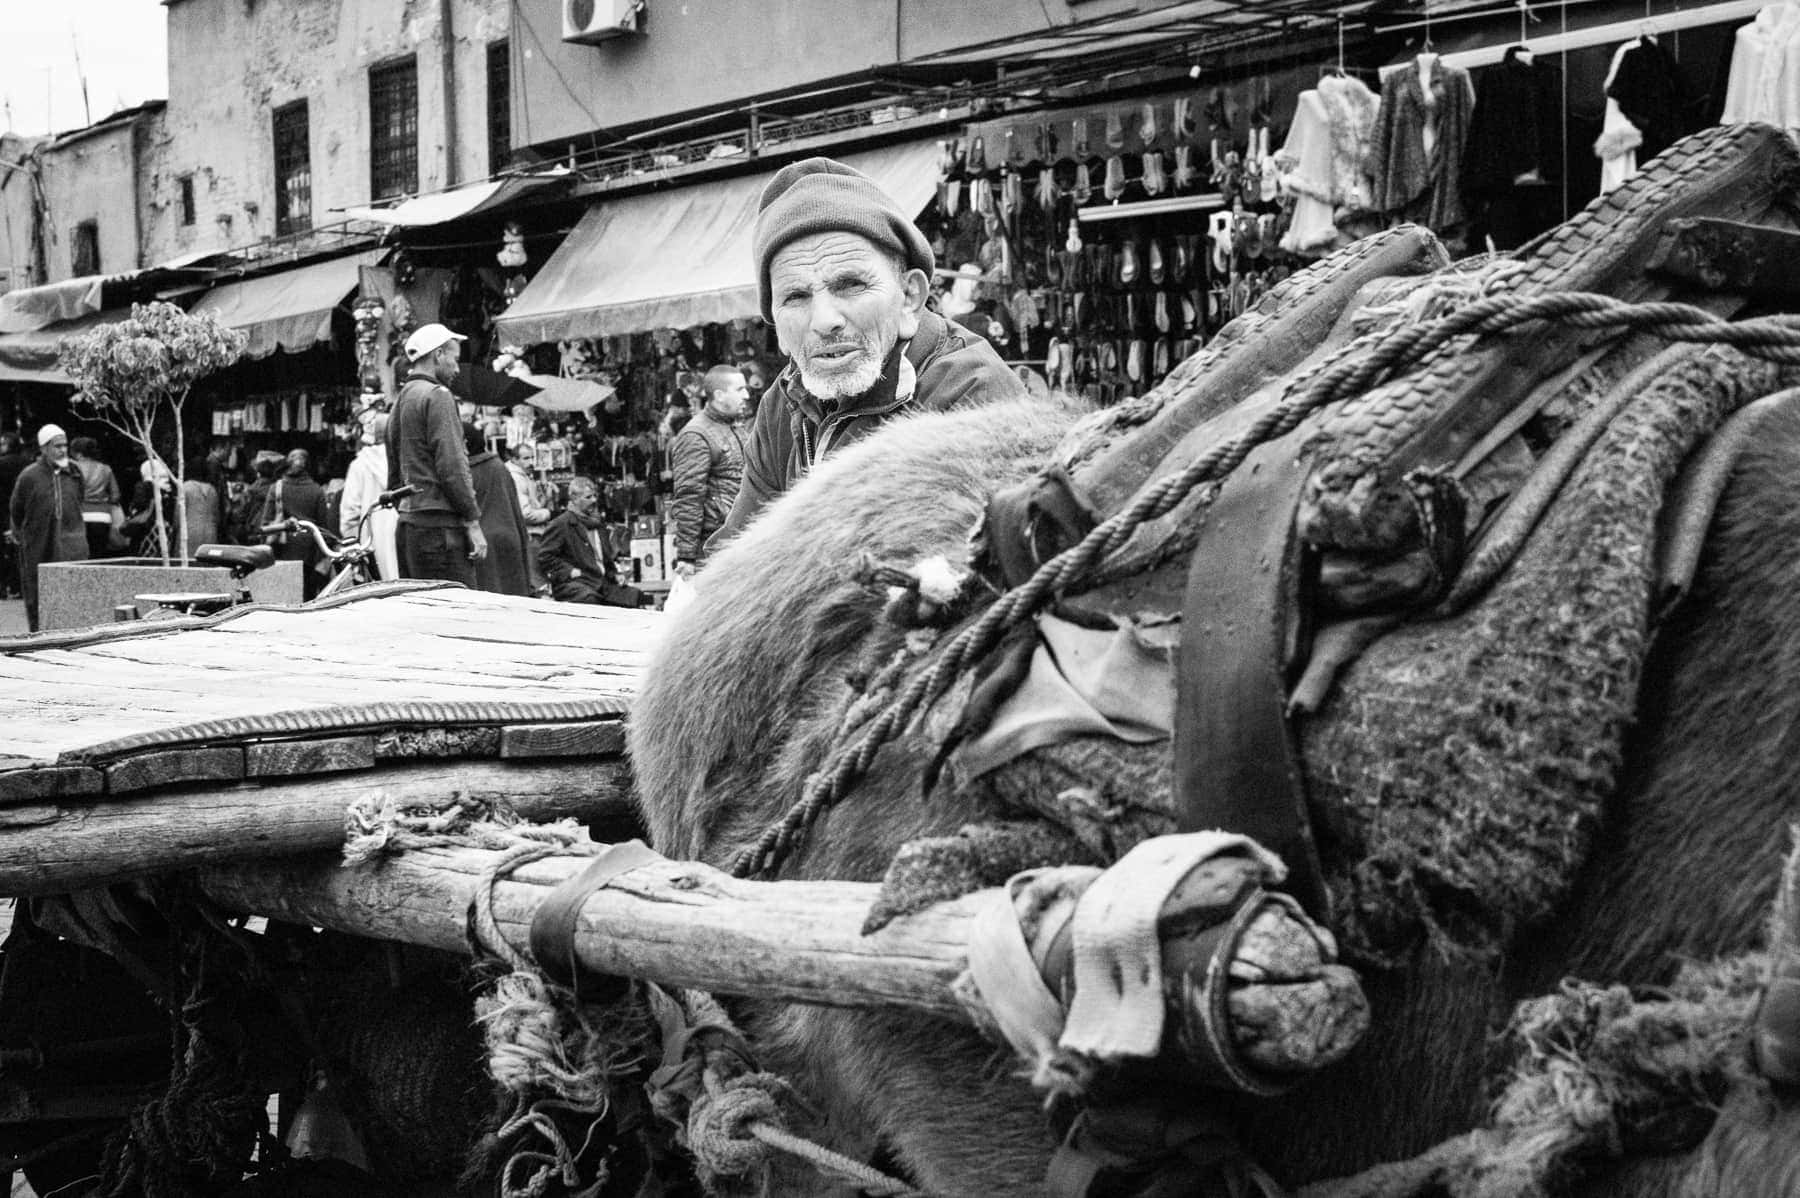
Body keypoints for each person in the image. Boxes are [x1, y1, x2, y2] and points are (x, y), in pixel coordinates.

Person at [712, 156, 1027, 548]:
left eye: (851, 286)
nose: (825, 320)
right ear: (776, 325)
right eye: (795, 297)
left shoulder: (973, 396)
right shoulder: (783, 403)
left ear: (910, 297)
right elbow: (738, 555)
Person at [386, 323, 487, 585]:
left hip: (410, 526)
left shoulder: (400, 400)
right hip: (440, 529)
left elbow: (393, 470)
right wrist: (472, 520)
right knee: (458, 616)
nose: (456, 368)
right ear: (438, 354)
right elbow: (453, 467)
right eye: (454, 359)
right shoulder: (438, 396)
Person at [669, 364, 749, 578]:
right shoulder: (695, 436)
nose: (747, 395)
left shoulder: (735, 429)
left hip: (737, 539)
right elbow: (688, 496)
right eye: (740, 389)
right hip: (713, 546)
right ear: (720, 395)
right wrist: (687, 557)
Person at [7, 425, 88, 631]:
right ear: (43, 448)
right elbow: (16, 509)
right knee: (38, 593)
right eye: (57, 446)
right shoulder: (29, 476)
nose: (63, 450)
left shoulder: (75, 472)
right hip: (39, 545)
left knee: (73, 593)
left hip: (73, 544)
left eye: (65, 445)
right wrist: (23, 535)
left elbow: (80, 498)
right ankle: (38, 636)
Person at [538, 476, 643, 608]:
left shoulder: (597, 524)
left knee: (635, 597)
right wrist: (569, 571)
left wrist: (616, 575)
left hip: (600, 583)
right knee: (590, 600)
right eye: (588, 497)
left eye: (595, 496)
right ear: (575, 499)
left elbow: (605, 560)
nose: (594, 500)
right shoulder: (561, 524)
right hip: (575, 584)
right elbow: (545, 556)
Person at [464, 423, 534, 597]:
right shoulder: (498, 466)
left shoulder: (464, 471)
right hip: (510, 535)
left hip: (481, 542)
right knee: (513, 593)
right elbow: (515, 507)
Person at [261, 448, 330, 600]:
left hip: (282, 549)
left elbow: (265, 522)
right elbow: (324, 527)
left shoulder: (276, 488)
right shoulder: (317, 491)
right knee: (306, 596)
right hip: (309, 552)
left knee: (282, 595)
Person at [340, 414, 400, 581]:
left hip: (371, 538)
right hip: (403, 531)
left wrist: (352, 543)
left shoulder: (360, 465)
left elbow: (350, 511)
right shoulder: (404, 460)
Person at [69, 437, 123, 559]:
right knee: (97, 557)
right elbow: (116, 496)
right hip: (102, 517)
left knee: (79, 558)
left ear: (77, 453)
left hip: (79, 516)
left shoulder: (73, 467)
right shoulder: (106, 469)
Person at [0, 434, 26, 598]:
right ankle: (20, 586)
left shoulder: (1, 464)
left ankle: (3, 587)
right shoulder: (28, 464)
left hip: (3, 512)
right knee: (21, 551)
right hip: (23, 512)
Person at [506, 441, 551, 532]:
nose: (531, 462)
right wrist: (549, 513)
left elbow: (533, 505)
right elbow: (526, 515)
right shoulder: (516, 478)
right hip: (528, 532)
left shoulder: (523, 474)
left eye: (532, 457)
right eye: (526, 458)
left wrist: (544, 498)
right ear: (515, 459)